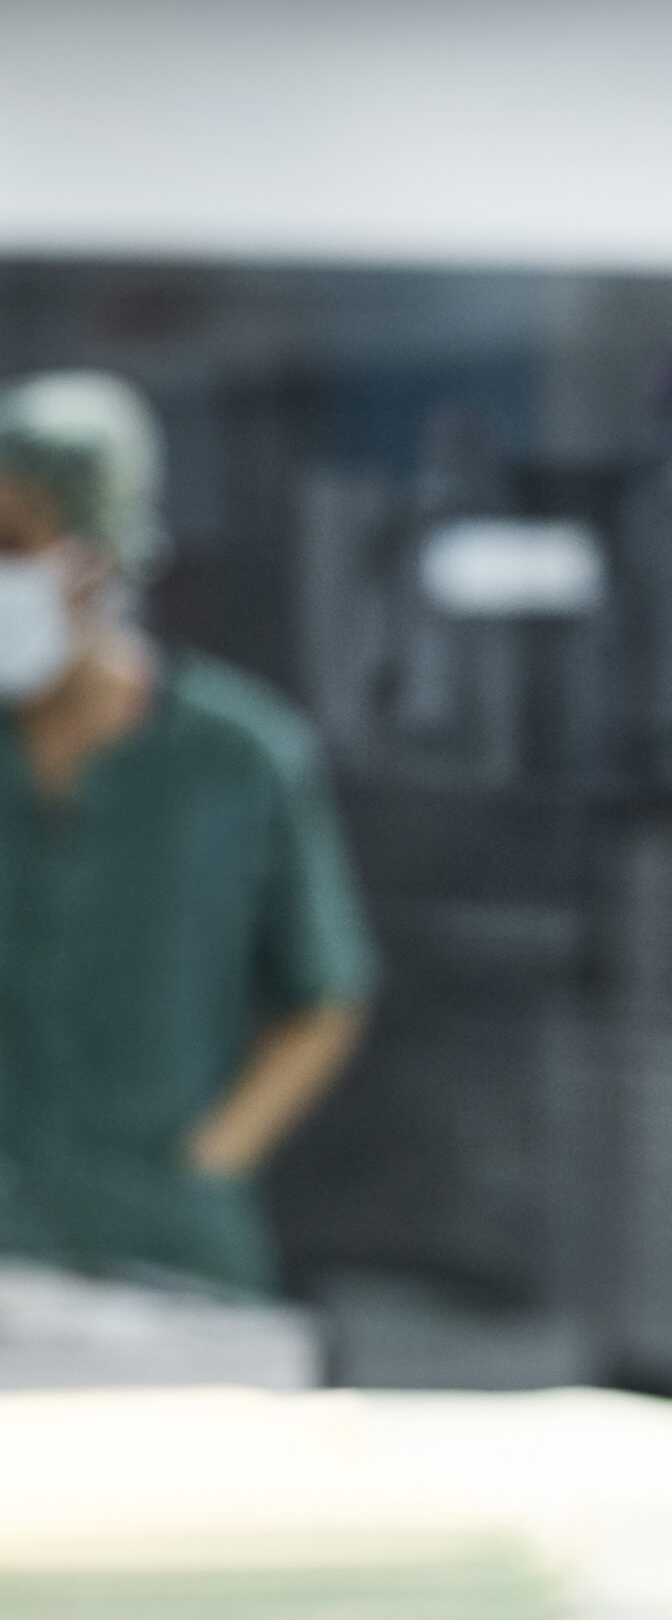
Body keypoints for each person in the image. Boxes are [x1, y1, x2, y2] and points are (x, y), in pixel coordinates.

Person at [0, 370, 376, 1295]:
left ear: (98, 554)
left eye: (12, 542)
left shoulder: (238, 757)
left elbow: (325, 994)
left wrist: (208, 1159)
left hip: (171, 1256)